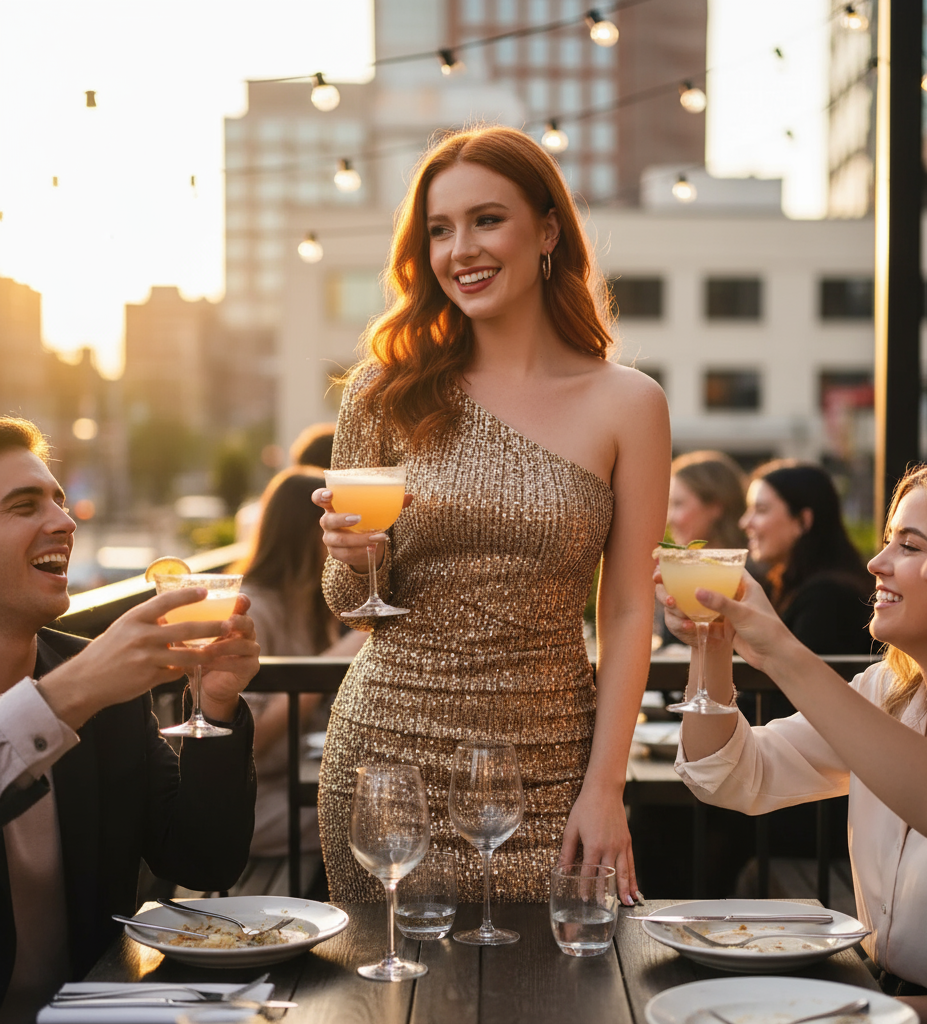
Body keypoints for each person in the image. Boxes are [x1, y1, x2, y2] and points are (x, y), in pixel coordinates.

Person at [312, 126, 670, 905]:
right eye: (439, 230)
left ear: (547, 230)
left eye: (486, 220)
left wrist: (607, 786)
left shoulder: (630, 404)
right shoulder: (384, 391)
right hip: (387, 756)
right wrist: (353, 556)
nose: (459, 249)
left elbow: (630, 604)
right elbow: (351, 606)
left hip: (552, 768)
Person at [691, 427, 927, 1022]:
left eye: (925, 547)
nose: (875, 561)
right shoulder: (884, 694)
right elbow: (728, 777)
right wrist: (712, 643)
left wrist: (849, 1012)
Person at [0, 416, 259, 1023]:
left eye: (59, 502)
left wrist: (214, 706)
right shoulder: (91, 680)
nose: (64, 522)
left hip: (96, 1008)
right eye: (21, 505)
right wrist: (71, 694)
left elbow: (204, 861)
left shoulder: (99, 680)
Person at [235, 466, 365, 857]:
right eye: (331, 528)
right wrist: (330, 663)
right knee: (374, 819)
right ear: (304, 533)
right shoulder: (254, 607)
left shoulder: (310, 607)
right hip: (257, 801)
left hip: (298, 782)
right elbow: (245, 741)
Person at [741, 460, 873, 656]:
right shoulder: (784, 585)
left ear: (803, 520)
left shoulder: (827, 598)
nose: (745, 523)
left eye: (760, 510)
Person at [659, 451, 747, 651]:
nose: (670, 518)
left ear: (715, 507)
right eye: (670, 505)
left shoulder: (745, 581)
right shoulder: (679, 574)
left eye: (678, 504)